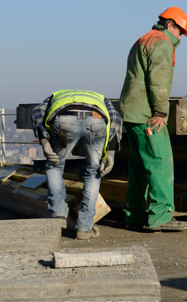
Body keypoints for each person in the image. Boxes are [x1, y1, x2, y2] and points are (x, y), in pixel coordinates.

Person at [118, 7, 187, 232]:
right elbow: (158, 81)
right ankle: (160, 216)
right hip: (148, 115)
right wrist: (160, 112)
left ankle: (135, 214)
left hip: (132, 113)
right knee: (160, 162)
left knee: (139, 166)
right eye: (180, 32)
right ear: (170, 25)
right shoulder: (161, 42)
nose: (180, 37)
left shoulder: (142, 39)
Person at [31, 89, 123, 240]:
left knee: (55, 165)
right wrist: (111, 152)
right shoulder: (100, 98)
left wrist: (43, 139)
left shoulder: (56, 96)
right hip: (95, 120)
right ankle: (84, 228)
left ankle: (59, 216)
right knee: (93, 172)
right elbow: (115, 117)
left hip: (65, 121)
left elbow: (37, 111)